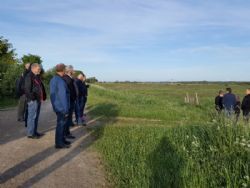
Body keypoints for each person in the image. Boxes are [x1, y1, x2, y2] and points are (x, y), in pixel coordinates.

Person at [50, 64, 71, 149]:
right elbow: (63, 96)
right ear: (63, 70)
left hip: (58, 106)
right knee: (61, 125)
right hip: (62, 107)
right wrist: (66, 109)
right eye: (65, 69)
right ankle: (59, 143)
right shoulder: (60, 80)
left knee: (61, 124)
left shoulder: (54, 79)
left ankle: (62, 140)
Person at [24, 63, 46, 138]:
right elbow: (27, 89)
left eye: (40, 69)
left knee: (36, 117)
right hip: (33, 100)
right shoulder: (29, 76)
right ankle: (30, 133)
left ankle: (34, 131)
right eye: (38, 69)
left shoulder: (36, 76)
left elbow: (39, 88)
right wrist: (33, 99)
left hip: (38, 100)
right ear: (33, 68)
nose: (40, 70)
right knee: (32, 117)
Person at [62, 65, 76, 139]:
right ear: (69, 71)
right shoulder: (67, 79)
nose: (74, 71)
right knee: (67, 119)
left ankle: (67, 132)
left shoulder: (69, 78)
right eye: (73, 70)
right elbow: (68, 92)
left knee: (69, 118)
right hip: (69, 101)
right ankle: (66, 133)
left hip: (70, 100)